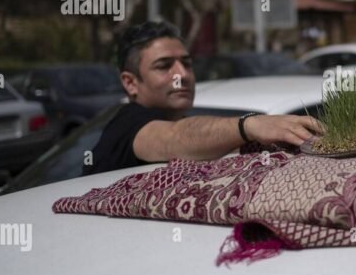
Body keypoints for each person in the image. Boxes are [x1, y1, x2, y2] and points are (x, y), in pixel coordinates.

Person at [83, 21, 323, 175]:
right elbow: (173, 137)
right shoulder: (127, 125)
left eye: (187, 63)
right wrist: (250, 124)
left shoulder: (191, 133)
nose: (182, 74)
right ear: (130, 82)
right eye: (164, 66)